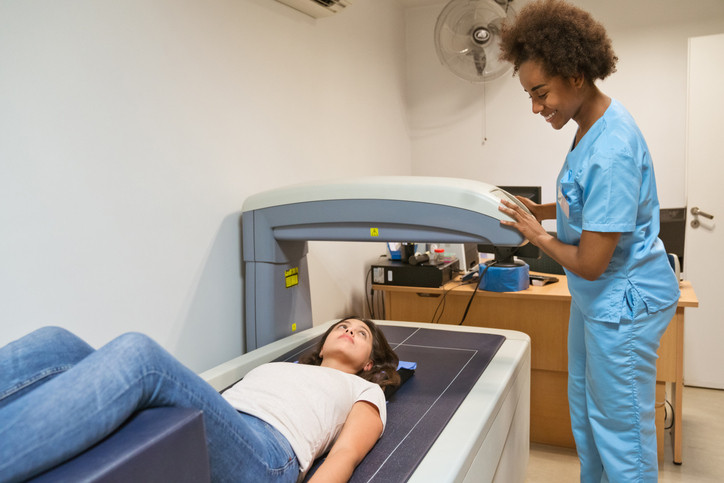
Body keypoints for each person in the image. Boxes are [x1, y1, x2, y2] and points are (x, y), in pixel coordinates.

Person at [497, 1, 680, 482]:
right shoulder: (588, 127)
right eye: (529, 96)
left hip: (621, 300)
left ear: (576, 74)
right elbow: (593, 205)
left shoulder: (613, 147)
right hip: (594, 300)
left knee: (621, 429)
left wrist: (538, 236)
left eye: (541, 93)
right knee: (585, 411)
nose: (536, 107)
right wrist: (542, 211)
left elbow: (594, 261)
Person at [0, 317, 400, 483]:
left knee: (142, 357)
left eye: (360, 333)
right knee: (57, 341)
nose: (348, 329)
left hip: (266, 453)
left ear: (369, 364)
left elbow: (344, 456)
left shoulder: (363, 391)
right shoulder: (288, 367)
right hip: (222, 422)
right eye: (343, 326)